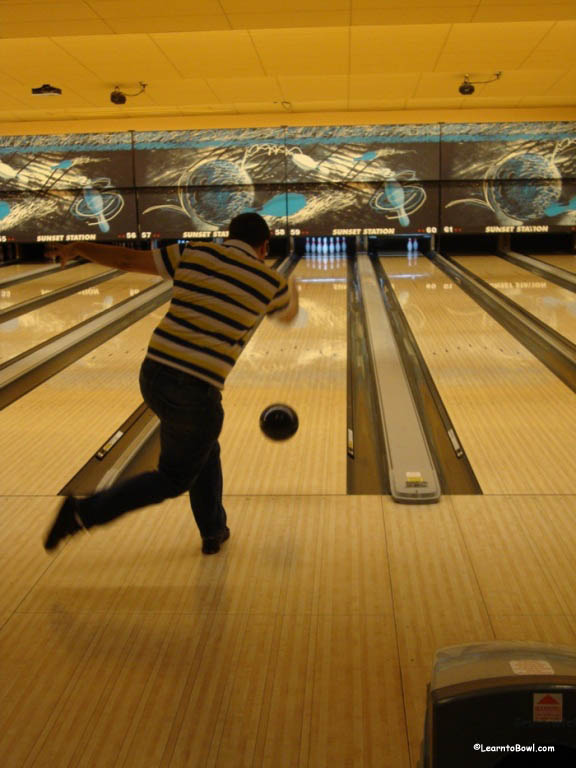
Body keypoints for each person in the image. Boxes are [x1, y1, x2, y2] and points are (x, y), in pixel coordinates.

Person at [44, 212, 298, 555]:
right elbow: (288, 313)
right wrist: (290, 289)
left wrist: (79, 247)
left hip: (153, 376)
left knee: (205, 447)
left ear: (226, 236)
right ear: (265, 245)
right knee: (173, 478)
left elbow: (125, 258)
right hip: (194, 393)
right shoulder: (271, 283)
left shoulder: (193, 253)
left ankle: (213, 530)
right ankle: (82, 513)